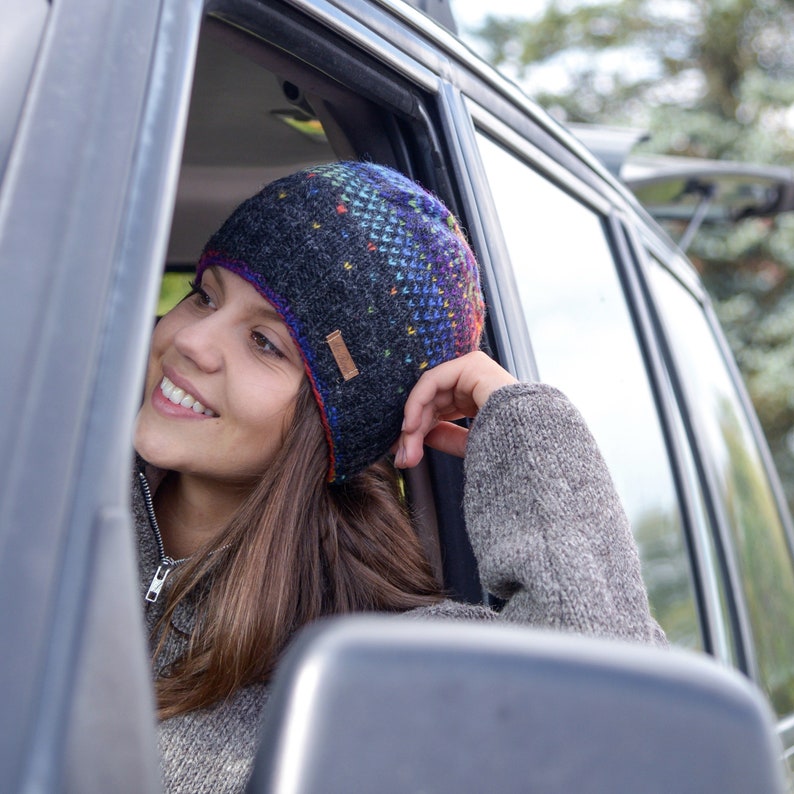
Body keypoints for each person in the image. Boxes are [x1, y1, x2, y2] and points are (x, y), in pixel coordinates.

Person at [132, 161, 666, 794]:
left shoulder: (394, 670)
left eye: (266, 343)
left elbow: (620, 743)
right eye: (205, 296)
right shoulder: (32, 495)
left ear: (338, 424)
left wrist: (523, 424)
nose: (193, 340)